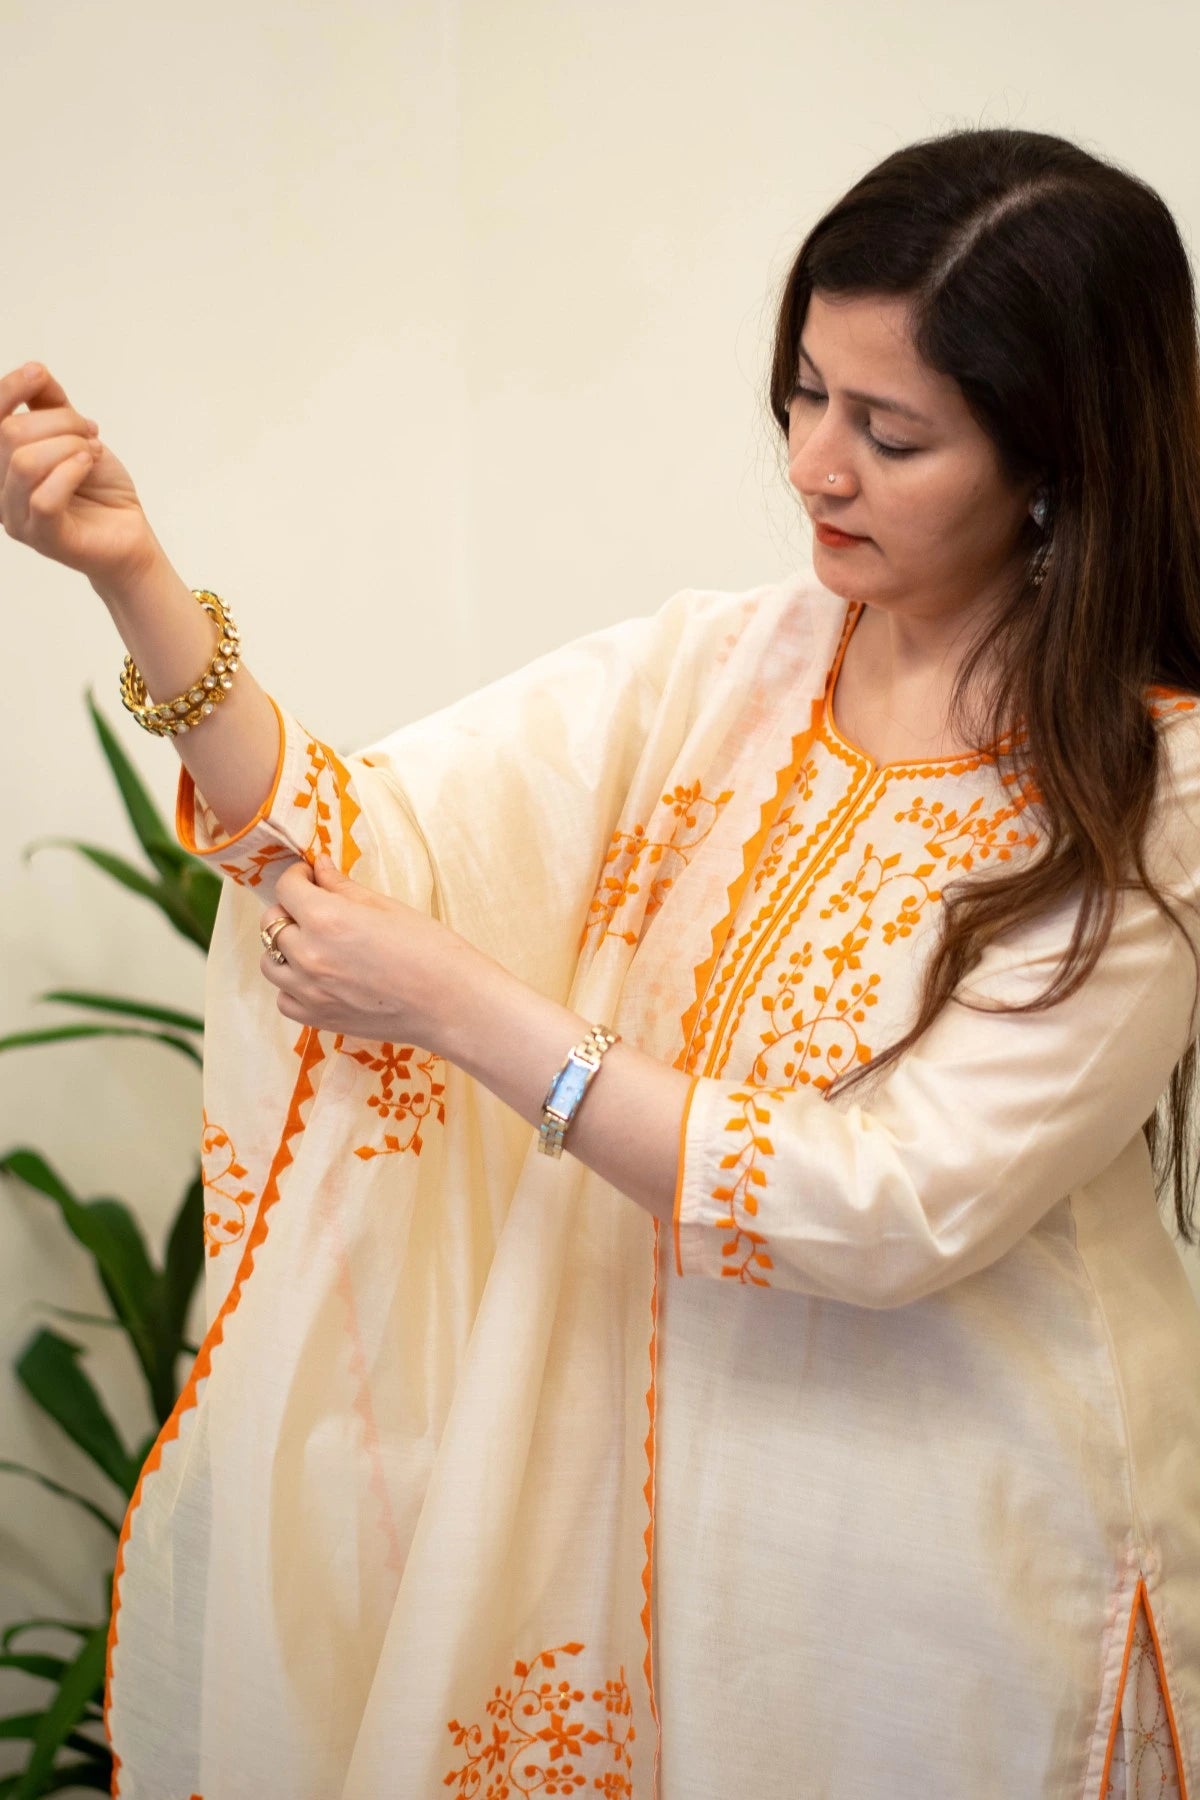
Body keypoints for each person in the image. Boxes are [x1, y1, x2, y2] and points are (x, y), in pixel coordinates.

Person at [4, 122, 1198, 1799]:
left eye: (891, 430)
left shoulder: (1155, 793)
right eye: (803, 395)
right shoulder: (721, 668)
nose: (814, 465)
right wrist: (131, 573)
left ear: (1056, 455)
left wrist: (476, 1016)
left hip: (956, 1552)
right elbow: (364, 842)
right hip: (653, 1496)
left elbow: (893, 1205)